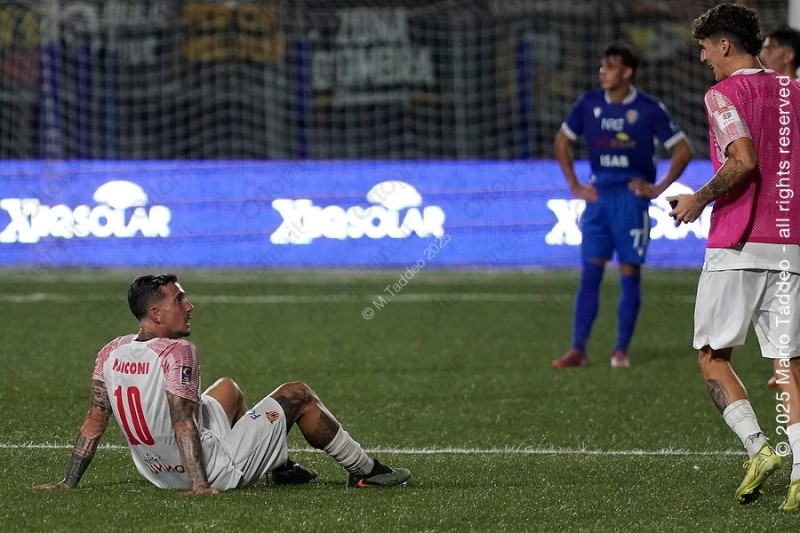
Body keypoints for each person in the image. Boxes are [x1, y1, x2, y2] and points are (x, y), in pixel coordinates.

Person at [35, 273, 411, 494]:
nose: (190, 306)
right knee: (298, 394)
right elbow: (183, 422)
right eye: (180, 300)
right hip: (209, 469)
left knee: (227, 388)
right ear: (156, 314)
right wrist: (201, 485)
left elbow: (94, 420)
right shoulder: (178, 351)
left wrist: (68, 482)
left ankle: (277, 467)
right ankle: (366, 471)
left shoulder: (111, 350)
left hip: (158, 474)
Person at [669, 3, 800, 511]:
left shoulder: (723, 94)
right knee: (788, 363)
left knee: (712, 356)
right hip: (790, 245)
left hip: (738, 244)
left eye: (705, 48)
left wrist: (697, 199)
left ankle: (759, 448)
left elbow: (743, 160)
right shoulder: (794, 91)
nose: (704, 58)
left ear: (725, 44)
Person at [552, 43, 693, 369]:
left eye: (611, 66)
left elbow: (683, 150)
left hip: (631, 200)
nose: (603, 71)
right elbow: (561, 142)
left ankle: (620, 350)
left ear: (627, 72)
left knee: (629, 271)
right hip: (599, 196)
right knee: (591, 271)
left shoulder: (648, 108)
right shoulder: (588, 103)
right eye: (602, 66)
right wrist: (575, 186)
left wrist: (657, 188)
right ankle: (577, 349)